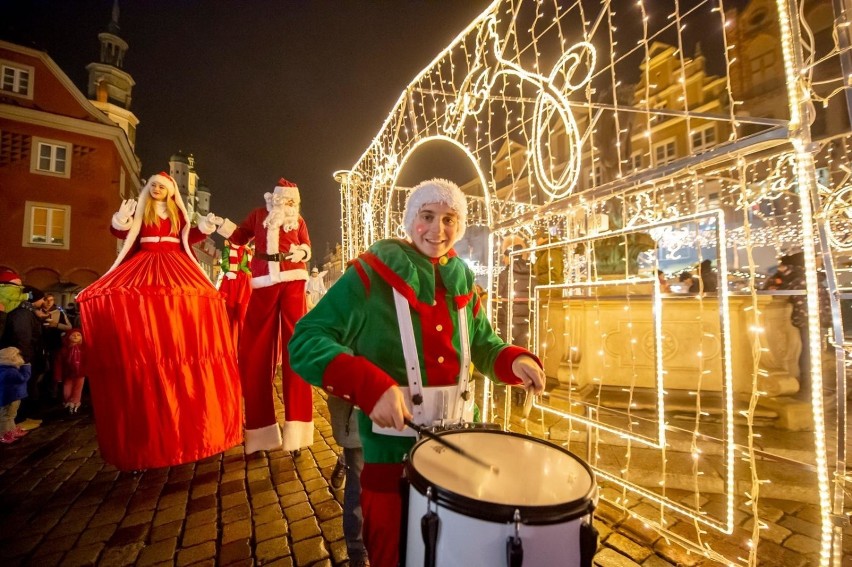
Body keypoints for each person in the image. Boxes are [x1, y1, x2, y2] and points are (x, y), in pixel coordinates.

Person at [289, 178, 546, 567]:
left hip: (461, 453)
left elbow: (484, 344)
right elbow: (306, 339)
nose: (438, 230)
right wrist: (367, 385)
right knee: (394, 554)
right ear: (411, 221)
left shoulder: (463, 282)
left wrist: (515, 361)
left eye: (449, 219)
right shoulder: (370, 274)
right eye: (428, 216)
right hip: (393, 459)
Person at [76, 172, 242, 471]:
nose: (156, 190)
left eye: (162, 187)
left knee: (193, 298)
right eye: (153, 186)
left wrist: (203, 227)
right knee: (133, 298)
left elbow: (188, 238)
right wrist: (121, 220)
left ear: (170, 191)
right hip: (146, 263)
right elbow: (124, 235)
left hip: (175, 262)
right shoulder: (143, 212)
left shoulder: (177, 214)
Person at [217, 178, 314, 455]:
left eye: (293, 202)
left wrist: (301, 251)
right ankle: (261, 431)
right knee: (255, 350)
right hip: (262, 283)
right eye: (285, 200)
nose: (289, 205)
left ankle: (297, 430)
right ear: (275, 199)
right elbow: (239, 237)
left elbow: (307, 245)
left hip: (294, 279)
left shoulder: (299, 220)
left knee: (296, 347)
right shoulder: (259, 215)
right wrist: (220, 226)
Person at [327, 395, 368, 567]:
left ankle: (344, 459)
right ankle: (357, 549)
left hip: (398, 418)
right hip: (355, 416)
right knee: (358, 485)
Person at [1, 286, 47, 430]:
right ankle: (20, 421)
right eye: (42, 298)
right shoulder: (22, 314)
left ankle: (20, 420)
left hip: (24, 356)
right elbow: (23, 338)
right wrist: (25, 360)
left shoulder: (26, 312)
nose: (44, 301)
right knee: (22, 389)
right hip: (22, 358)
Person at [218, 239, 253, 348]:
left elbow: (249, 266)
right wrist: (228, 271)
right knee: (229, 314)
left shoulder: (249, 251)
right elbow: (224, 263)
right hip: (231, 281)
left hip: (245, 283)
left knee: (243, 315)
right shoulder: (228, 249)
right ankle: (228, 345)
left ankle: (243, 347)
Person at [41, 293, 71, 401]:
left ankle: (52, 392)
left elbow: (69, 327)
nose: (49, 302)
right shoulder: (37, 312)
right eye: (47, 300)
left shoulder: (59, 313)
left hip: (55, 345)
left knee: (54, 368)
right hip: (40, 345)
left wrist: (56, 325)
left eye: (52, 300)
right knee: (40, 369)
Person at [0, 346, 32, 444]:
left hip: (12, 396)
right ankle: (4, 434)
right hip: (10, 397)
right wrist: (26, 367)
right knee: (6, 416)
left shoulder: (7, 369)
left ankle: (11, 431)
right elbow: (22, 378)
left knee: (11, 415)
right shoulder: (9, 370)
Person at [53, 328, 85, 415]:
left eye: (78, 335)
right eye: (73, 335)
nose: (76, 336)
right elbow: (58, 364)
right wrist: (58, 376)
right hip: (68, 374)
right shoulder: (63, 350)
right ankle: (68, 402)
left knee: (78, 389)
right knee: (67, 389)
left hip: (80, 373)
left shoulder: (83, 349)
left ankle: (75, 402)